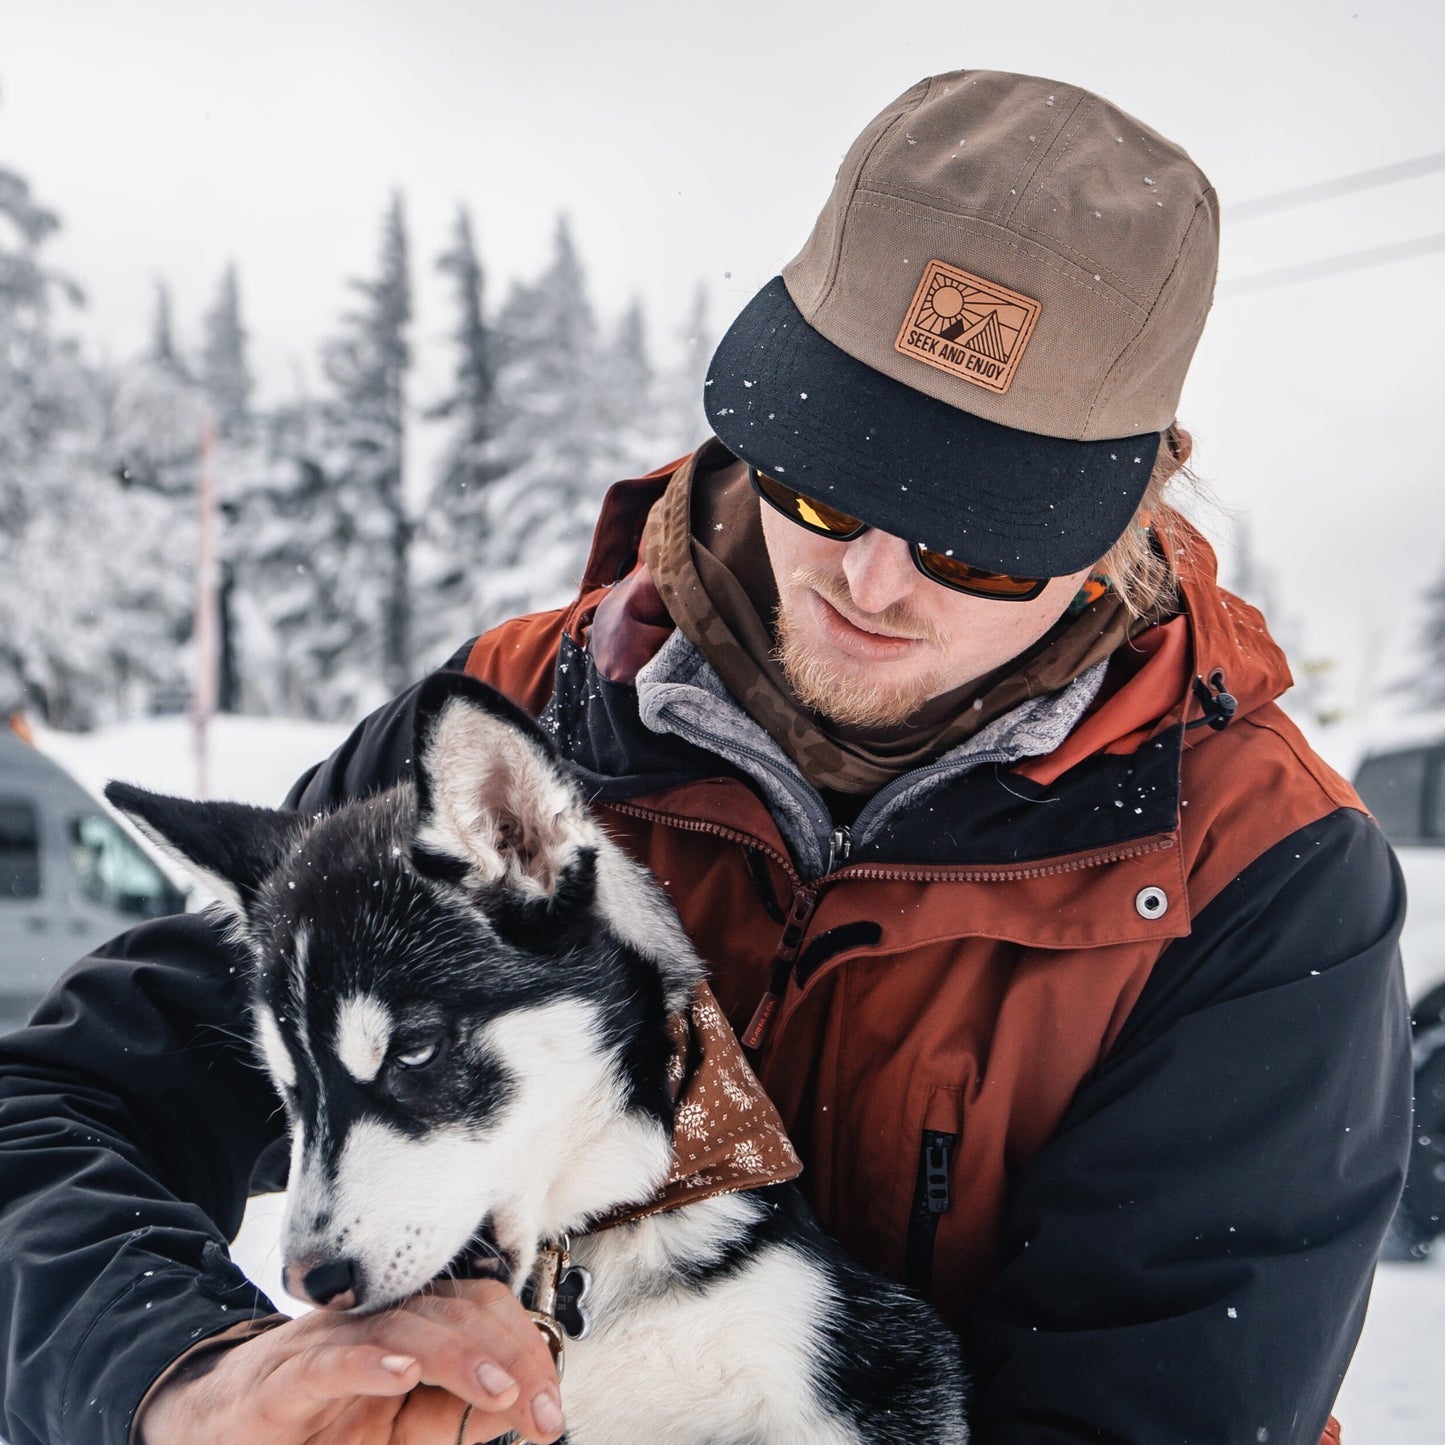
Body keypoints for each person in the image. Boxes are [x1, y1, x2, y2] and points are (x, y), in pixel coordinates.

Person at [0, 69, 1411, 1445]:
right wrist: (181, 1371)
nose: (868, 579)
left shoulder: (1255, 872)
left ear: (1133, 501)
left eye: (972, 542)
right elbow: (53, 1107)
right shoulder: (507, 725)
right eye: (821, 476)